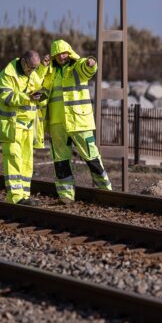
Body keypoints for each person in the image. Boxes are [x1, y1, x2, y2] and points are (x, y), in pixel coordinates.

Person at [42, 39, 111, 204]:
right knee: (60, 162)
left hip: (79, 122)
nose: (62, 56)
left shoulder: (77, 67)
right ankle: (66, 196)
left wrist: (90, 63)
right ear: (53, 56)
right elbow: (42, 90)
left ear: (70, 52)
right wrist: (42, 67)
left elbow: (88, 69)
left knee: (92, 158)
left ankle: (106, 192)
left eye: (64, 53)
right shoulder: (49, 72)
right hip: (58, 124)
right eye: (58, 54)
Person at [0, 50, 48, 205]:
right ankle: (15, 196)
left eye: (35, 68)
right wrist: (27, 97)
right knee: (13, 158)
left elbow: (40, 93)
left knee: (26, 161)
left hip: (28, 127)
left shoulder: (33, 74)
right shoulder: (7, 75)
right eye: (30, 67)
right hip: (12, 125)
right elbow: (6, 98)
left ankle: (24, 195)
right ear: (23, 62)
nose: (32, 71)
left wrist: (41, 97)